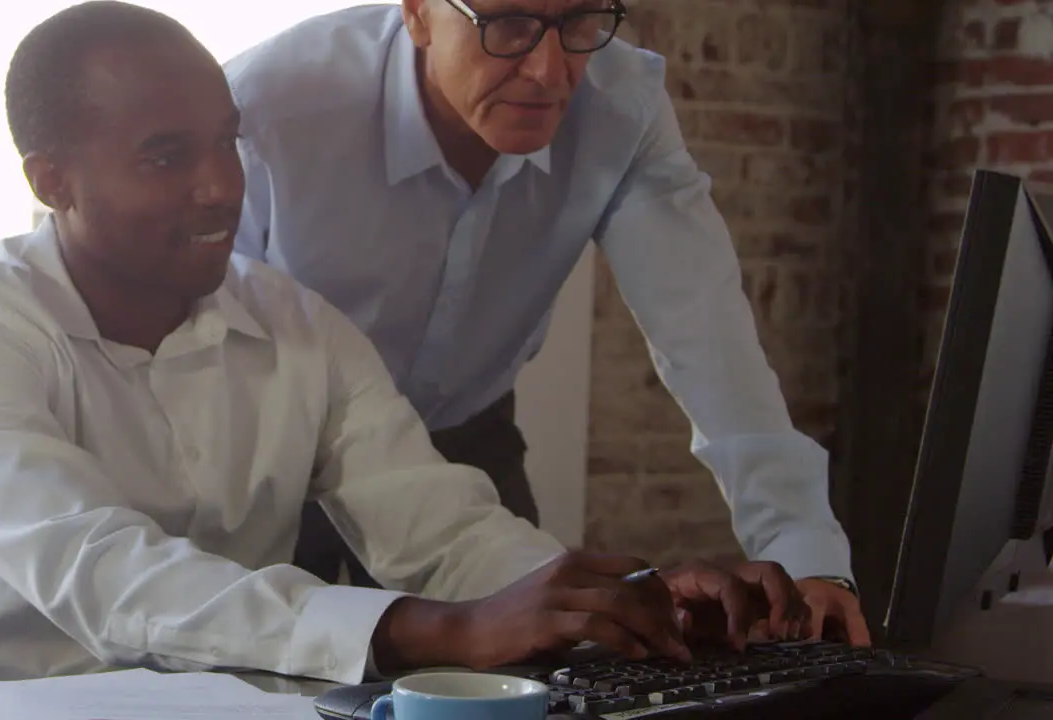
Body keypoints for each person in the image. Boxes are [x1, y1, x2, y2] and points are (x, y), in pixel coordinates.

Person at [0, 1, 809, 691]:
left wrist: (621, 607)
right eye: (167, 156)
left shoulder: (297, 326)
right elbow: (112, 579)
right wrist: (433, 629)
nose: (218, 189)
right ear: (52, 181)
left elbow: (442, 530)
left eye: (228, 145)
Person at [223, 0, 871, 644]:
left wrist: (807, 554)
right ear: (419, 13)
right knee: (253, 684)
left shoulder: (623, 107)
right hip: (276, 444)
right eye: (507, 24)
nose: (546, 70)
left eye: (579, 24)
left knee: (541, 675)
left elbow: (707, 333)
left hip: (465, 441)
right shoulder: (268, 109)